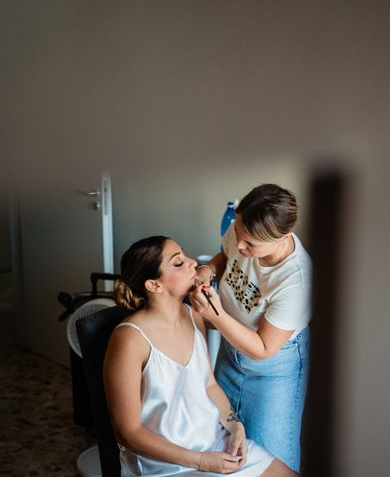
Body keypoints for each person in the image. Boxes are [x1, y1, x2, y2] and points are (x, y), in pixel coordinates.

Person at [103, 235, 297, 476]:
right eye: (178, 262)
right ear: (154, 285)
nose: (192, 262)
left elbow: (209, 385)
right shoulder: (130, 339)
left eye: (185, 255)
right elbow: (127, 432)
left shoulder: (193, 316)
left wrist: (235, 425)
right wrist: (202, 461)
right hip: (166, 465)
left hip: (214, 443)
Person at [191, 184, 311, 472]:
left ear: (281, 238)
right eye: (239, 233)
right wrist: (207, 269)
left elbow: (263, 348)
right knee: (225, 441)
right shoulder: (241, 231)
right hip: (230, 352)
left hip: (273, 370)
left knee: (272, 459)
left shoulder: (296, 280)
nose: (240, 246)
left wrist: (216, 315)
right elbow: (224, 255)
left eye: (250, 244)